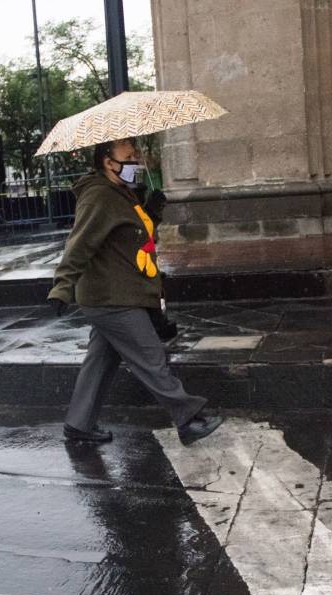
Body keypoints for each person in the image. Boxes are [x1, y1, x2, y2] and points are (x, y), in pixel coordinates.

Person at [47, 137, 223, 446]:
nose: (135, 160)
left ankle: (79, 424)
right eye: (128, 155)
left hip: (118, 292)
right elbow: (79, 243)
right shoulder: (99, 196)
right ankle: (188, 419)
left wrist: (152, 212)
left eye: (135, 154)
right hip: (111, 297)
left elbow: (133, 238)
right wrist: (62, 286)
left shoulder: (122, 193)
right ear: (108, 161)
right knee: (150, 356)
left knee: (100, 361)